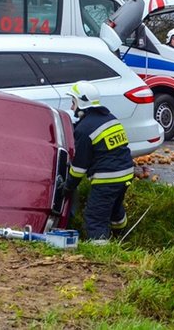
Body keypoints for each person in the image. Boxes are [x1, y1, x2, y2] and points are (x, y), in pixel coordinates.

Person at [62, 81, 134, 244]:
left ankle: (101, 254)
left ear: (80, 103)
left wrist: (68, 186)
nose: (72, 107)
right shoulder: (110, 118)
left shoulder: (84, 129)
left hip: (107, 179)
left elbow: (79, 168)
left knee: (95, 219)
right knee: (115, 209)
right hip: (126, 175)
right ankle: (122, 238)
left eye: (73, 102)